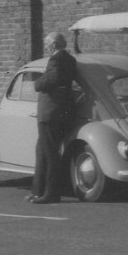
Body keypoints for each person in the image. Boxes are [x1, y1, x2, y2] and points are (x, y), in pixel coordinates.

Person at [29, 31, 77, 204]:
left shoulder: (56, 60)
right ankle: (38, 191)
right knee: (42, 151)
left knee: (49, 154)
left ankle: (51, 193)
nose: (46, 47)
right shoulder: (70, 59)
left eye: (47, 44)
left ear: (54, 44)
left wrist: (38, 83)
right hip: (61, 111)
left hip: (50, 113)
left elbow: (53, 78)